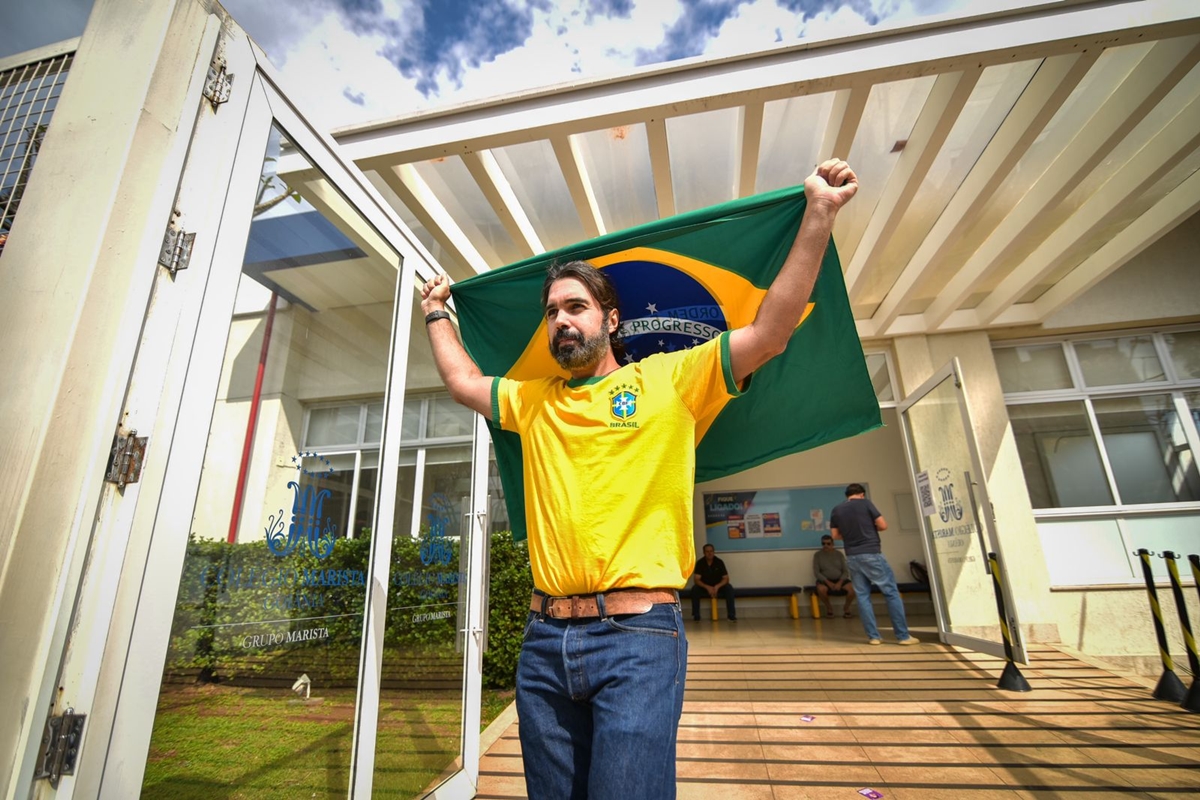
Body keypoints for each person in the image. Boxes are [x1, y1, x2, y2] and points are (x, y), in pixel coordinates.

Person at [420, 158, 858, 800]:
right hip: (544, 641)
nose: (561, 321)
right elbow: (462, 382)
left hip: (637, 638)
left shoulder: (672, 380)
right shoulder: (533, 399)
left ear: (611, 319)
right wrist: (437, 313)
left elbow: (770, 332)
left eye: (575, 306)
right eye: (551, 313)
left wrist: (819, 212)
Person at [830, 483, 918, 645]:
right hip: (872, 553)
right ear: (862, 494)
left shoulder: (837, 510)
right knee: (890, 592)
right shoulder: (866, 504)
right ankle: (903, 636)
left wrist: (851, 535)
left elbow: (835, 535)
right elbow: (883, 525)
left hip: (852, 557)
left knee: (863, 596)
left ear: (847, 496)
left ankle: (874, 637)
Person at [813, 534, 856, 618]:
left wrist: (840, 583)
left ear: (832, 544)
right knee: (821, 589)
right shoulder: (817, 555)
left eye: (828, 544)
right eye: (823, 544)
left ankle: (846, 608)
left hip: (840, 579)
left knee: (853, 588)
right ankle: (829, 609)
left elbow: (845, 571)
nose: (825, 546)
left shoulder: (839, 554)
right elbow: (817, 572)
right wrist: (828, 583)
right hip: (825, 580)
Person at [691, 543, 737, 621]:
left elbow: (726, 578)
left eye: (711, 551)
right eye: (707, 551)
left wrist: (717, 586)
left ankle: (731, 615)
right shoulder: (700, 563)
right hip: (704, 587)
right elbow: (696, 579)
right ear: (704, 553)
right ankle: (696, 615)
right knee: (695, 589)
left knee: (729, 588)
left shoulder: (719, 562)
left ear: (714, 552)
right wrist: (707, 587)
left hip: (718, 586)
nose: (709, 553)